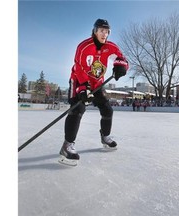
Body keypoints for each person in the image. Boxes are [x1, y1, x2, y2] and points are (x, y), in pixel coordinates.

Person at [59, 19, 129, 165]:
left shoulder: (110, 47)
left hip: (97, 83)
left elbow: (121, 58)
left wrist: (121, 66)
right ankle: (67, 146)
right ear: (95, 31)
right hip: (79, 80)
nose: (104, 34)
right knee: (77, 109)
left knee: (107, 110)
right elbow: (78, 68)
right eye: (101, 30)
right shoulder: (84, 46)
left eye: (107, 31)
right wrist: (83, 89)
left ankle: (105, 137)